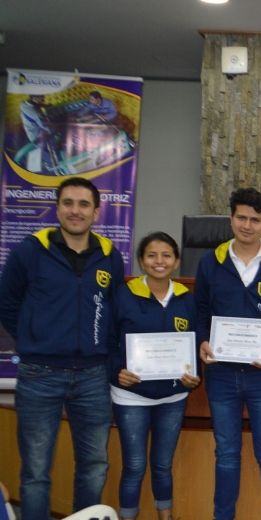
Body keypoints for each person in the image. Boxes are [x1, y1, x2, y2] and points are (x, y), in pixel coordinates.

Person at [0, 177, 124, 520]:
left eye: (84, 204)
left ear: (96, 212)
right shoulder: (30, 250)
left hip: (93, 376)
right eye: (68, 203)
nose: (75, 211)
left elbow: (113, 310)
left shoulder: (110, 256)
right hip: (40, 374)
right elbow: (7, 302)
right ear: (57, 208)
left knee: (94, 465)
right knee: (36, 471)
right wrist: (34, 337)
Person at [195, 187, 261, 520]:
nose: (247, 225)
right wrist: (202, 342)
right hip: (222, 375)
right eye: (241, 217)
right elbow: (200, 311)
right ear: (231, 218)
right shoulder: (212, 262)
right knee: (226, 454)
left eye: (255, 219)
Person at [110, 232, 201, 520]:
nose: (159, 261)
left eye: (166, 255)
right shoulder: (123, 295)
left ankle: (166, 517)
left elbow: (198, 342)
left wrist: (194, 375)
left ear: (175, 261)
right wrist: (116, 371)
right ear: (141, 261)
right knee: (134, 465)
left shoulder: (187, 298)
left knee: (162, 464)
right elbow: (104, 341)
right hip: (130, 396)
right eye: (152, 255)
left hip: (173, 395)